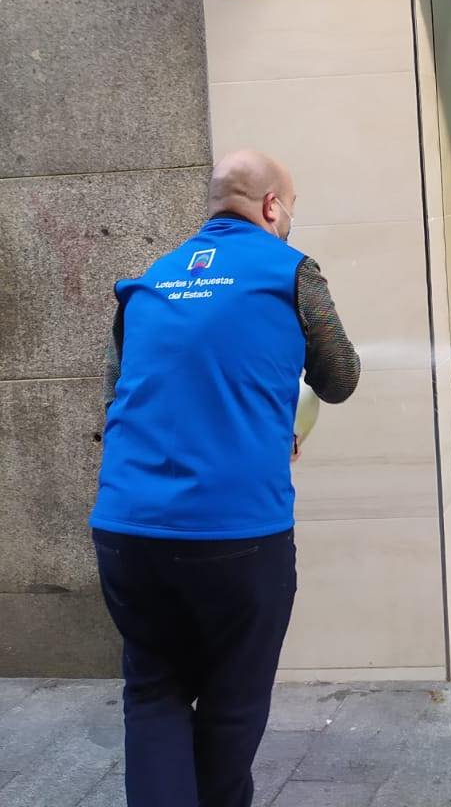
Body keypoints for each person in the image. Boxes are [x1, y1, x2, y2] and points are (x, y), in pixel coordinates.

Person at [90, 150, 361, 807]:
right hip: (236, 538)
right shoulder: (291, 271)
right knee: (231, 707)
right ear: (271, 206)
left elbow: (122, 397)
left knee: (152, 694)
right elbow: (339, 378)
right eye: (290, 209)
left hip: (127, 533)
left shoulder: (149, 281)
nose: (289, 220)